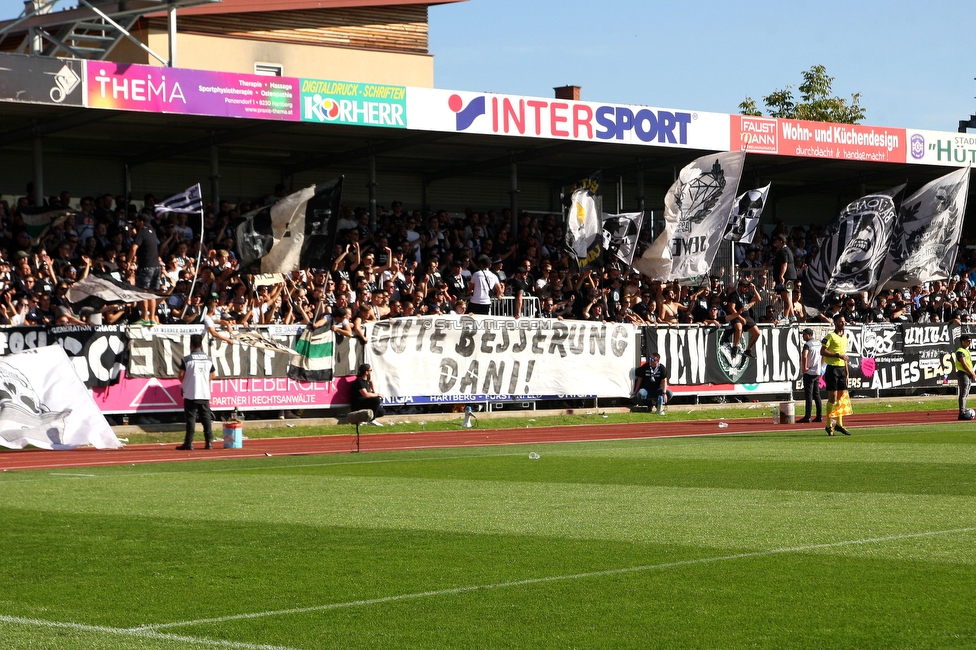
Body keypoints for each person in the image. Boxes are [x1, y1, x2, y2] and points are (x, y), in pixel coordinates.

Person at [176, 334, 216, 450]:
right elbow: (213, 375)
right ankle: (209, 442)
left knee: (190, 418)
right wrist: (203, 380)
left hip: (190, 392)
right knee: (206, 418)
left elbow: (181, 375)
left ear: (191, 345)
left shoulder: (186, 359)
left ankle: (189, 442)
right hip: (204, 393)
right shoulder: (208, 359)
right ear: (201, 345)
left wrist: (187, 382)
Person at [127, 213, 161, 326]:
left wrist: (129, 261)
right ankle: (152, 318)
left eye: (137, 222)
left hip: (146, 267)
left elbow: (134, 247)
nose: (136, 224)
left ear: (141, 222)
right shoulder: (152, 232)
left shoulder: (142, 232)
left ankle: (144, 317)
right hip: (156, 267)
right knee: (151, 293)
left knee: (142, 292)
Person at [821, 314, 852, 436]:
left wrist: (847, 371)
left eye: (844, 321)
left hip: (841, 370)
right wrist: (837, 355)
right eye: (841, 322)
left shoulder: (844, 338)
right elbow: (822, 351)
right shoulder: (830, 336)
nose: (843, 323)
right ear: (835, 323)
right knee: (832, 398)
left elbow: (844, 356)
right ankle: (829, 425)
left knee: (841, 398)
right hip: (832, 369)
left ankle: (839, 424)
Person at [797, 328, 823, 423]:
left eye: (804, 335)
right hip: (817, 371)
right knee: (817, 394)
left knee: (809, 395)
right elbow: (823, 354)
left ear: (809, 335)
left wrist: (804, 367)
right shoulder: (818, 343)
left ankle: (807, 416)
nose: (803, 336)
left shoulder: (807, 345)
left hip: (809, 372)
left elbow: (804, 356)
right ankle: (819, 416)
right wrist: (821, 365)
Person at [771, 234, 797, 322]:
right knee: (788, 296)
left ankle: (785, 317)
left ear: (781, 242)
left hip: (786, 277)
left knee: (785, 296)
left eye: (776, 241)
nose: (775, 243)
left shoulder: (783, 251)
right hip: (789, 276)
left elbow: (784, 264)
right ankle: (792, 315)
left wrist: (781, 275)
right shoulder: (787, 250)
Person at [955, 334, 975, 420]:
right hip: (963, 373)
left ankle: (963, 410)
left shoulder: (966, 351)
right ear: (962, 341)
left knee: (966, 393)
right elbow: (964, 365)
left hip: (967, 374)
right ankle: (962, 412)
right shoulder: (960, 351)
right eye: (968, 341)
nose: (970, 343)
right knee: (963, 393)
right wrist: (972, 373)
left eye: (970, 341)